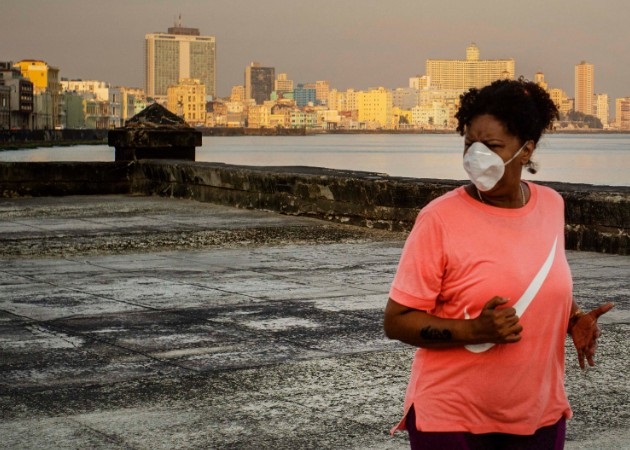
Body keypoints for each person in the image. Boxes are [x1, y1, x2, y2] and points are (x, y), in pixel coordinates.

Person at [383, 77, 614, 450]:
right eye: (469, 144)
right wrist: (475, 331)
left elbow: (531, 273)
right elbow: (397, 320)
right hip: (452, 419)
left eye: (490, 146)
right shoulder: (439, 219)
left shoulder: (552, 205)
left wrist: (572, 319)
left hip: (537, 412)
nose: (477, 156)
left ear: (526, 150)